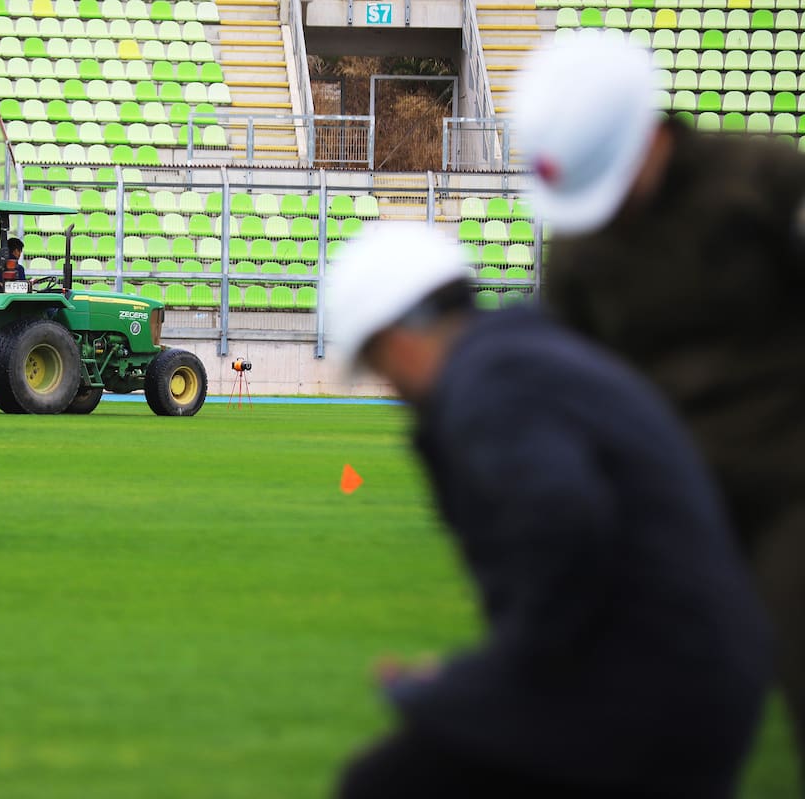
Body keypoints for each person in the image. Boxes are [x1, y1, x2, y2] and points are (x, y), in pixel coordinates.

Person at [325, 222, 771, 798]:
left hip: (654, 687)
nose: (388, 385)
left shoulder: (491, 383)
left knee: (385, 784)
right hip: (696, 674)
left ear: (400, 337)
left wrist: (482, 682)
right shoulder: (528, 356)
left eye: (376, 362)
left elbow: (562, 524)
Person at [515, 31, 805, 785]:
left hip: (789, 485)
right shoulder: (581, 249)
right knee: (636, 699)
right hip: (670, 499)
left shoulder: (766, 182)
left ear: (650, 135)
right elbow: (569, 382)